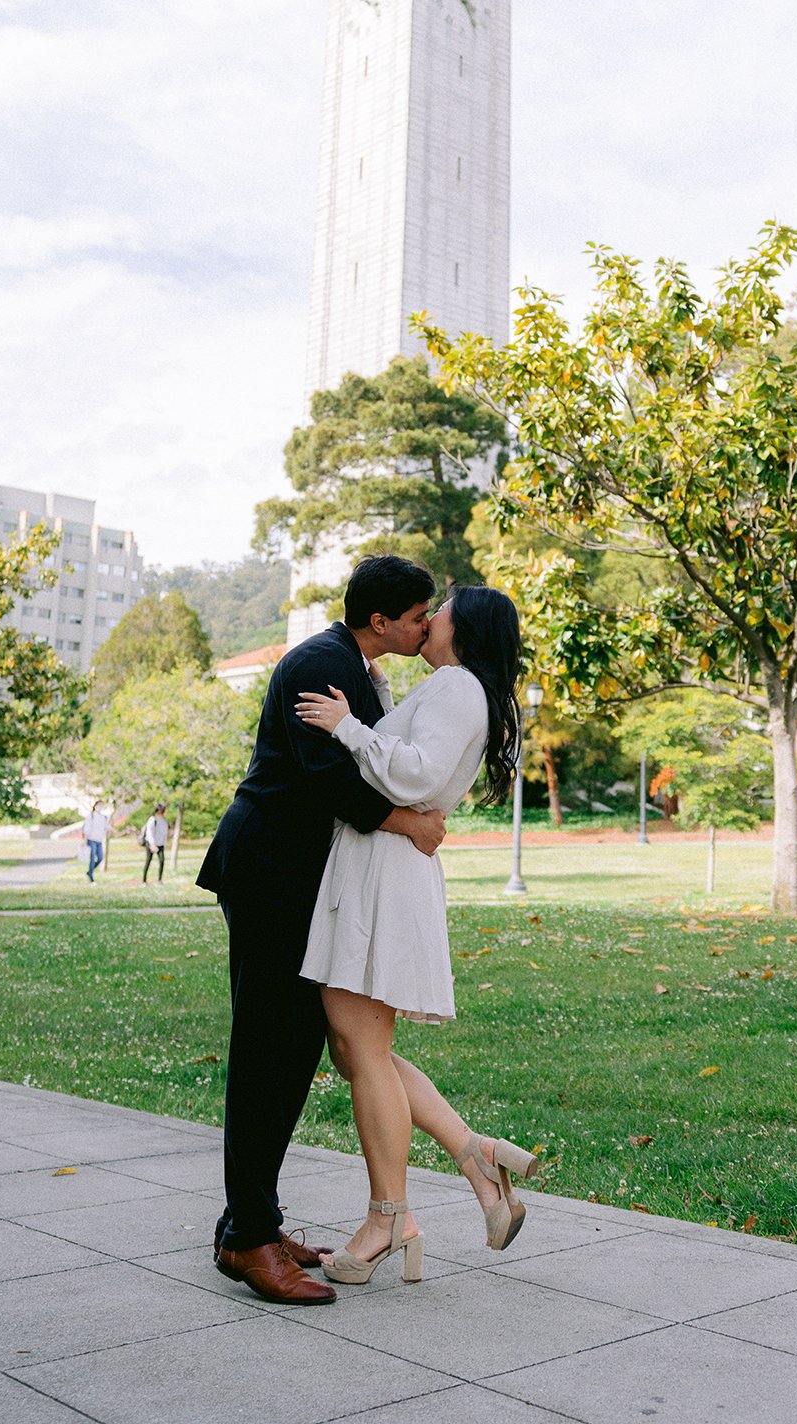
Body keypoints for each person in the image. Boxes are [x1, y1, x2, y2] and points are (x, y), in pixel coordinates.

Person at [195, 554, 442, 1307]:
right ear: (381, 622)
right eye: (417, 617)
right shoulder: (320, 664)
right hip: (271, 874)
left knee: (292, 1053)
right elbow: (328, 776)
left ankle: (255, 1222)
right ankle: (246, 1242)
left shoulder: (353, 665)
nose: (426, 626)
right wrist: (409, 823)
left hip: (300, 882)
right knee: (268, 1053)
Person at [295, 584, 540, 1287]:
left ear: (464, 630)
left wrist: (347, 726)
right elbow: (409, 754)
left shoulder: (460, 687)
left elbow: (418, 774)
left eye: (443, 610)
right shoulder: (454, 688)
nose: (429, 619)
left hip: (385, 873)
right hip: (382, 867)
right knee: (356, 1050)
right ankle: (475, 1157)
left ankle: (389, 1217)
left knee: (360, 1048)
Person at [82, 800, 108, 882]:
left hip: (99, 840)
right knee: (92, 859)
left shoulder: (103, 817)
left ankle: (90, 871)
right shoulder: (91, 816)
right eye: (99, 805)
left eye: (102, 805)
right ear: (95, 806)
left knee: (100, 858)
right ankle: (91, 877)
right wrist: (85, 840)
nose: (100, 807)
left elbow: (107, 827)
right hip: (91, 840)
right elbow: (87, 828)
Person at [141, 803, 168, 883]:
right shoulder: (152, 820)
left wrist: (163, 842)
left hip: (160, 844)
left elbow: (164, 833)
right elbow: (150, 833)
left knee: (162, 861)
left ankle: (160, 880)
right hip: (151, 844)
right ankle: (144, 881)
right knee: (148, 861)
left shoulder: (164, 821)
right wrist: (152, 845)